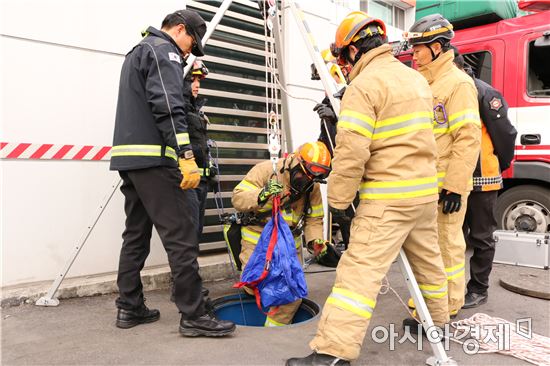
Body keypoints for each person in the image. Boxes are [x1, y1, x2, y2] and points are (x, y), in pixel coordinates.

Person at [286, 11, 449, 365]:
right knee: (430, 266)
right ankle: (438, 321)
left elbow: (352, 151)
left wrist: (340, 201)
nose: (342, 66)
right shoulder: (416, 80)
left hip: (387, 201)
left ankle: (332, 353)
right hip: (423, 195)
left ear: (354, 52)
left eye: (342, 58)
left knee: (357, 276)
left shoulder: (364, 87)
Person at [110, 9, 235, 337]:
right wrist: (186, 154)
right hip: (156, 162)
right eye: (192, 43)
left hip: (131, 162)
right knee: (181, 236)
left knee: (135, 234)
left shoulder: (137, 52)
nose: (189, 52)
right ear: (179, 29)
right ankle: (193, 315)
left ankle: (129, 305)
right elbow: (167, 105)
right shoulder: (162, 50)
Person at [405, 14, 482, 318]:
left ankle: (447, 306)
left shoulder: (458, 84)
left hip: (445, 186)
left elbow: (468, 139)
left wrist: (453, 187)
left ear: (437, 47)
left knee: (447, 245)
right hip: (424, 184)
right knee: (427, 249)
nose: (414, 55)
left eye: (419, 49)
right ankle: (427, 304)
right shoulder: (423, 82)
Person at [232, 142, 332, 326]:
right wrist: (262, 194)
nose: (307, 181)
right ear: (294, 161)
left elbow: (314, 219)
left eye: (313, 178)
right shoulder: (265, 171)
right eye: (304, 174)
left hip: (288, 250)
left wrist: (315, 242)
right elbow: (237, 197)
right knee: (255, 284)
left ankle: (273, 332)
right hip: (258, 243)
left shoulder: (312, 188)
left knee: (289, 295)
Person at [453, 48, 517, 308]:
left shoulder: (482, 92)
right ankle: (453, 289)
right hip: (454, 180)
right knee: (453, 237)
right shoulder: (449, 91)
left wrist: (498, 163)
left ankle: (478, 289)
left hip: (482, 180)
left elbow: (505, 133)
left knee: (480, 237)